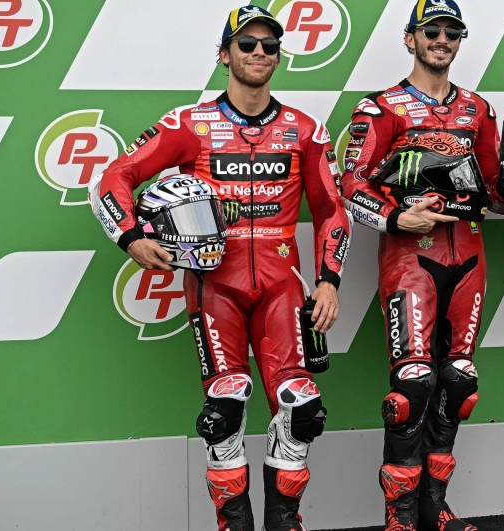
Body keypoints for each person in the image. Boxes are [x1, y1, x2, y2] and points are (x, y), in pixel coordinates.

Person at [88, 6, 351, 531]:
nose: (259, 54)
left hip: (284, 288)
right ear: (224, 54)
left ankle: (284, 523)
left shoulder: (305, 129)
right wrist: (131, 238)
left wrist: (328, 279)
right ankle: (234, 524)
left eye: (269, 46)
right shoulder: (190, 124)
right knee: (224, 412)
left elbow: (332, 210)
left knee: (302, 411)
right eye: (247, 45)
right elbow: (112, 177)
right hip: (215, 289)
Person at [339, 1, 504, 529]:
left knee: (458, 382)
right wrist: (396, 218)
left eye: (451, 32)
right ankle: (399, 517)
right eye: (431, 31)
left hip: (468, 255)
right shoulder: (381, 108)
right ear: (410, 38)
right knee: (412, 384)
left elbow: (499, 199)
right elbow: (349, 187)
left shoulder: (479, 111)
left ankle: (434, 508)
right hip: (409, 259)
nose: (442, 39)